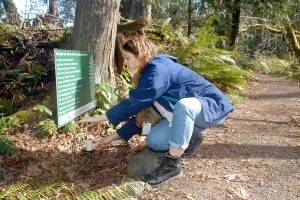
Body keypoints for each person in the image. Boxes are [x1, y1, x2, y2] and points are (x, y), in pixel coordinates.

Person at [79, 35, 233, 186]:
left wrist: (100, 117)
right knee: (154, 140)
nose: (124, 63)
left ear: (139, 54)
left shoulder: (158, 69)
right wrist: (112, 137)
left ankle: (172, 166)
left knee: (184, 106)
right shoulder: (149, 74)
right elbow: (145, 114)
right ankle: (192, 135)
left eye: (127, 57)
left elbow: (135, 103)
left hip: (211, 106)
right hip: (190, 115)